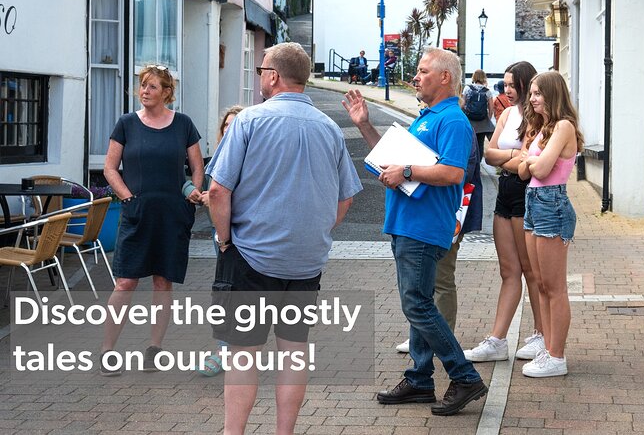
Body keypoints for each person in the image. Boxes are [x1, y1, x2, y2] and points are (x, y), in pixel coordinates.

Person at [207, 42, 362, 434]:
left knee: (244, 356)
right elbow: (346, 197)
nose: (260, 77)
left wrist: (225, 240)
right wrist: (317, 232)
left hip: (251, 255)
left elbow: (218, 191)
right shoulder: (330, 128)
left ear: (273, 76)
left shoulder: (249, 121)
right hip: (306, 261)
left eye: (262, 70)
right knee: (294, 352)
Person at [342, 47, 488, 417]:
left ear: (445, 78)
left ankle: (464, 375)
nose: (416, 77)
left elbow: (454, 173)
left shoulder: (452, 120)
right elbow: (390, 159)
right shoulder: (428, 118)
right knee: (418, 302)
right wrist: (363, 124)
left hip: (423, 227)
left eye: (423, 71)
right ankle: (420, 380)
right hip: (408, 225)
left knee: (417, 304)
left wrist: (407, 171)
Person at [101, 64, 204, 376]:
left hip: (172, 215)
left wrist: (194, 195)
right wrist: (127, 198)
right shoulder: (127, 124)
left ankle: (154, 349)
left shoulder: (183, 124)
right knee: (125, 282)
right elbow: (109, 168)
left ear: (166, 93)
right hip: (137, 213)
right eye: (143, 86)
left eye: (152, 87)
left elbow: (197, 168)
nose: (145, 91)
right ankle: (107, 351)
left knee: (163, 282)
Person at [463, 61, 544, 363]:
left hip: (526, 195)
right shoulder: (507, 114)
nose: (506, 90)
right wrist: (512, 156)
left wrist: (507, 159)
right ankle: (498, 341)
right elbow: (489, 153)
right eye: (505, 85)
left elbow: (526, 169)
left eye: (512, 85)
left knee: (532, 271)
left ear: (525, 84)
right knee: (508, 271)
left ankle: (541, 334)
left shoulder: (538, 118)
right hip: (504, 193)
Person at [517, 71, 583, 377]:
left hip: (551, 205)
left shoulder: (564, 127)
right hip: (534, 203)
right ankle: (547, 348)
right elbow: (522, 172)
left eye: (537, 93)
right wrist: (530, 163)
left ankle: (557, 356)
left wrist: (530, 162)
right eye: (531, 93)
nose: (532, 98)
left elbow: (540, 170)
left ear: (553, 95)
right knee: (540, 283)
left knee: (555, 288)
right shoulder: (543, 129)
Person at [395, 129, 482, 353]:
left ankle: (442, 340)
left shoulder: (456, 126)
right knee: (422, 284)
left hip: (447, 213)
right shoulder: (431, 120)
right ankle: (425, 338)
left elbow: (459, 174)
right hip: (428, 215)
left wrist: (416, 173)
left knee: (441, 278)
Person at [182, 105, 244, 377]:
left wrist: (215, 198)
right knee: (225, 295)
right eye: (226, 126)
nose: (229, 129)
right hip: (220, 236)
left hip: (242, 237)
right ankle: (224, 349)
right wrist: (195, 193)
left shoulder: (251, 158)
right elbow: (205, 189)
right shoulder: (218, 159)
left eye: (235, 125)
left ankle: (228, 351)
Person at [463, 69, 494, 158]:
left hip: (469, 120)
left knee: (468, 142)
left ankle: (469, 162)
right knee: (480, 143)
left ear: (474, 77)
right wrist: (488, 118)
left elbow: (463, 103)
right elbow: (491, 108)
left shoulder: (468, 88)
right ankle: (478, 165)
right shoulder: (487, 91)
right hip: (482, 122)